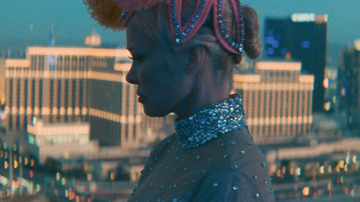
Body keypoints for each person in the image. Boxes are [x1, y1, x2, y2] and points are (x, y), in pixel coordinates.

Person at [85, 0, 274, 201]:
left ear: (192, 57)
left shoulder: (229, 179)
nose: (130, 76)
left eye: (139, 58)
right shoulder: (166, 149)